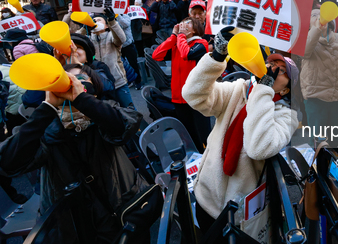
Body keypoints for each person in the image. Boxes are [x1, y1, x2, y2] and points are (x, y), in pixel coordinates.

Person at [0, 64, 150, 243]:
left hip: (119, 211)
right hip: (72, 224)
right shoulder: (47, 130)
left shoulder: (106, 112)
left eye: (80, 79)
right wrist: (47, 108)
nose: (72, 85)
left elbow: (122, 127)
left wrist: (82, 100)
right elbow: (8, 162)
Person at [181, 27, 298, 229]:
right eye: (272, 61)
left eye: (281, 69)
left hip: (238, 213)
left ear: (287, 88)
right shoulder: (240, 88)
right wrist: (217, 56)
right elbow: (193, 95)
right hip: (205, 196)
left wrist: (263, 90)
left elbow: (259, 147)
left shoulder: (287, 115)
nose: (272, 66)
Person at [152, 17, 210, 152]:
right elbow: (156, 55)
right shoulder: (177, 43)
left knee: (204, 134)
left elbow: (186, 54)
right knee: (188, 134)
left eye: (188, 23)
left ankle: (209, 157)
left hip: (196, 98)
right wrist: (173, 36)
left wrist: (181, 37)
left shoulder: (201, 43)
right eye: (183, 22)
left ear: (196, 29)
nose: (183, 24)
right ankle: (195, 158)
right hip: (178, 97)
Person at [301, 9, 338, 134]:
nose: (319, 17)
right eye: (314, 15)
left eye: (322, 13)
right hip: (315, 97)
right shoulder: (305, 39)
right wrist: (316, 29)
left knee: (337, 138)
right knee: (318, 139)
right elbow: (305, 52)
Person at [85, 8, 134, 108]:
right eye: (94, 21)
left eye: (99, 20)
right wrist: (83, 27)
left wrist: (112, 21)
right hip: (101, 85)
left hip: (118, 82)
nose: (96, 22)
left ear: (106, 25)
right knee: (112, 114)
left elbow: (121, 39)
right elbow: (77, 41)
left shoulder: (111, 36)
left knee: (130, 110)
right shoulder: (89, 40)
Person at [117, 13, 142, 90]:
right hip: (118, 45)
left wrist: (117, 16)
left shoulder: (125, 16)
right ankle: (128, 81)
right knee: (121, 65)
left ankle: (138, 82)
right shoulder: (111, 18)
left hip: (128, 44)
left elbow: (126, 24)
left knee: (133, 63)